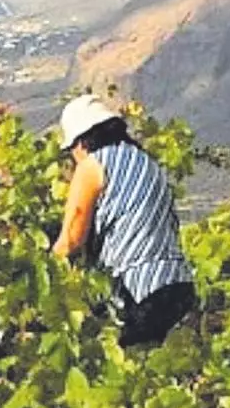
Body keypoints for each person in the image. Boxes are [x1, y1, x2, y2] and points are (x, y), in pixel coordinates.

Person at [52, 94, 197, 346]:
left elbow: (71, 239)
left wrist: (43, 277)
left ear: (80, 143)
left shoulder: (92, 166)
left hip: (139, 290)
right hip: (179, 284)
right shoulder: (146, 162)